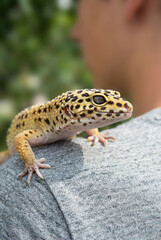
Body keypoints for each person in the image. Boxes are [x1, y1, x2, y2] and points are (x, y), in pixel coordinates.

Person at [0, 0, 161, 239]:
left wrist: (94, 133)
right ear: (66, 110)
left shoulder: (34, 204)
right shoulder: (42, 130)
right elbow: (22, 139)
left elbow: (85, 123)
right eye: (98, 101)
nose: (121, 105)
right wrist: (30, 163)